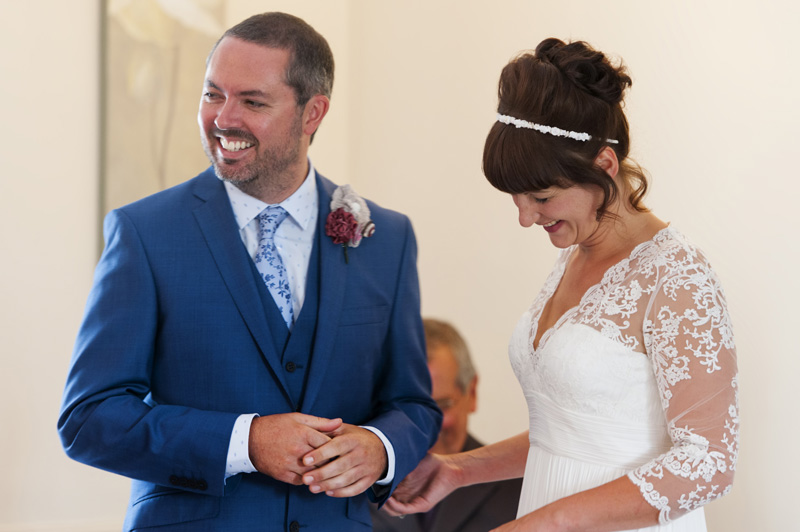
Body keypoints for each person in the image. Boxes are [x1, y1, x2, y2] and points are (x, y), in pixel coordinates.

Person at [57, 12, 441, 532]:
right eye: (212, 94)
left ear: (313, 114)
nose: (222, 118)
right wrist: (246, 442)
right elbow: (88, 419)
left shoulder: (386, 238)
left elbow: (413, 404)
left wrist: (380, 447)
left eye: (252, 101)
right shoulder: (144, 232)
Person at [384, 38, 738, 532]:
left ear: (604, 166)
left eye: (541, 197)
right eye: (516, 199)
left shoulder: (677, 277)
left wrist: (545, 524)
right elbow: (570, 436)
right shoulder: (576, 254)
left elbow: (708, 463)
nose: (526, 218)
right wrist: (459, 469)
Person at [370, 318, 523, 532]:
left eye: (441, 405)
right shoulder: (350, 486)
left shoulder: (520, 489)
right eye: (404, 409)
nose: (423, 428)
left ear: (471, 392)